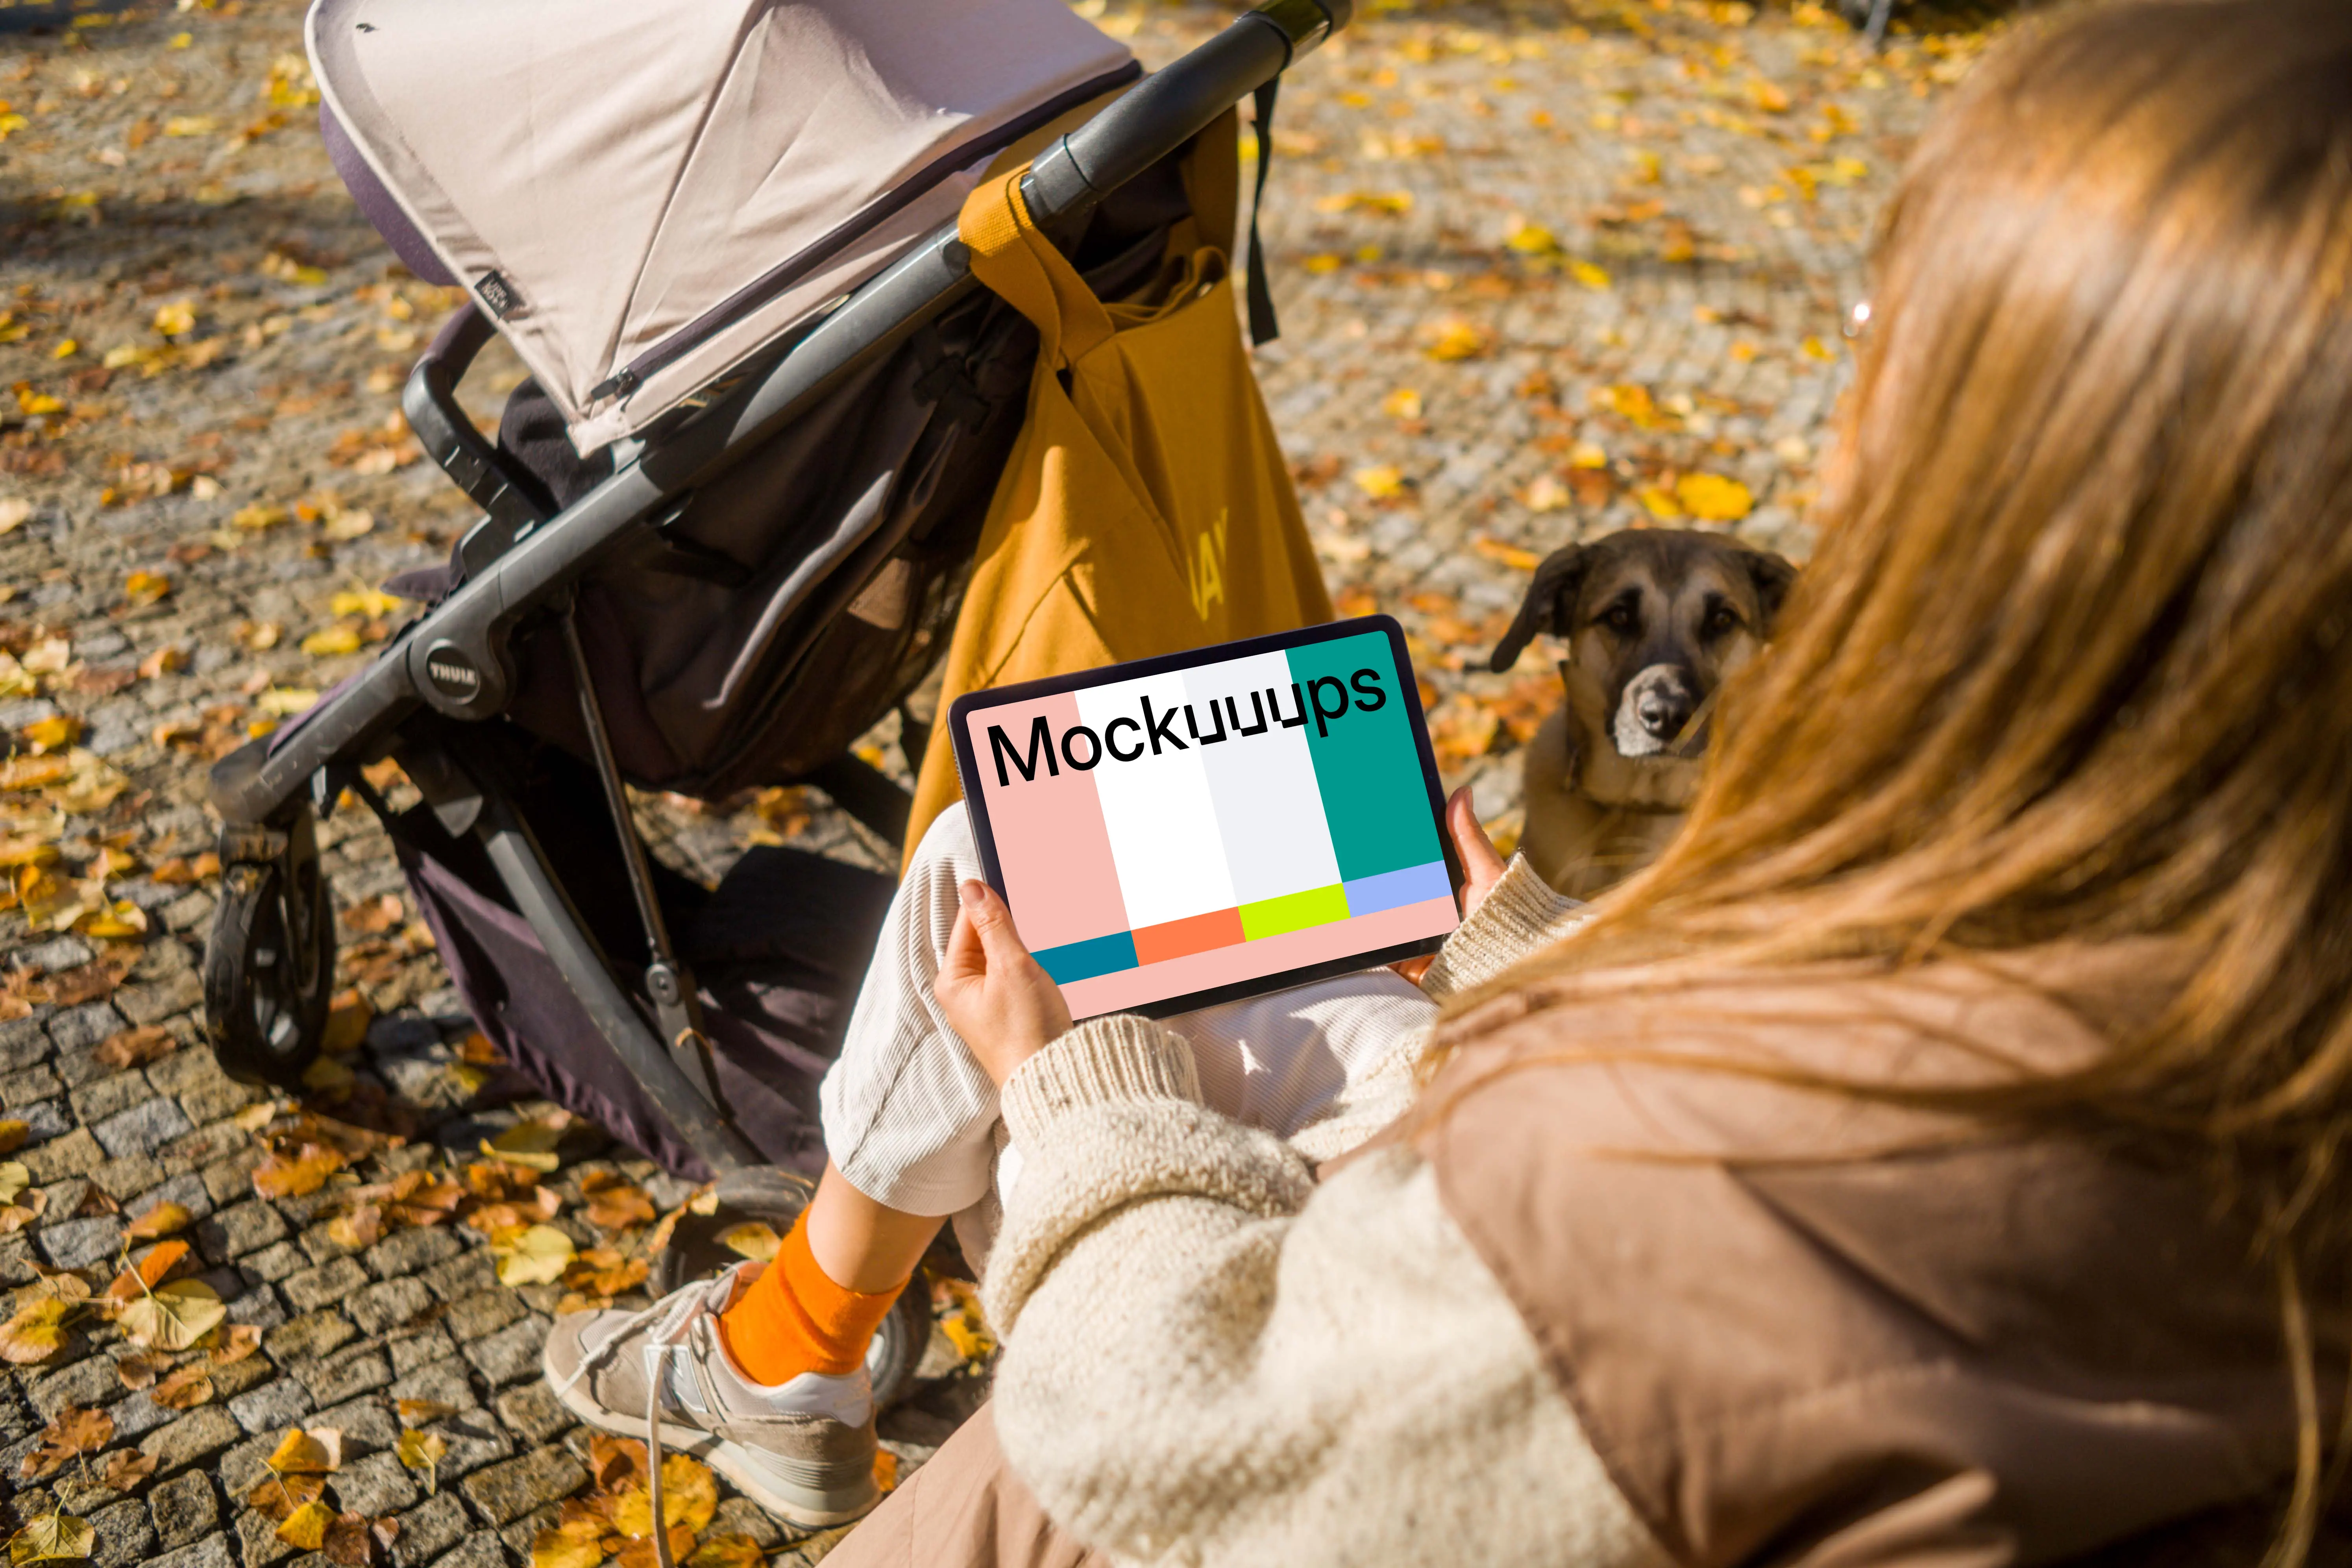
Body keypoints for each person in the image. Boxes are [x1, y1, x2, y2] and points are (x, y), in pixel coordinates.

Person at [555, 0, 2352, 1561]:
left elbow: (1187, 1443)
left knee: (1006, 896)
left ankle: (795, 1345)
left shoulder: (1761, 1181)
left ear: (2027, 503)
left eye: (1891, 332)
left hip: (1245, 1401)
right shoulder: (2201, 1004)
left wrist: (1071, 1091)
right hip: (1512, 1223)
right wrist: (1533, 966)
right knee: (1019, 856)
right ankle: (802, 1342)